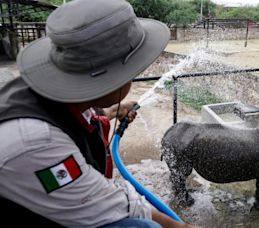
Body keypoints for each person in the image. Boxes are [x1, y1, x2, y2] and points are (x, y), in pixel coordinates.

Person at [0, 0, 193, 227]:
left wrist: (110, 112)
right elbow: (107, 203)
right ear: (110, 80)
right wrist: (179, 225)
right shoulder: (37, 141)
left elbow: (74, 116)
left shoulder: (40, 93)